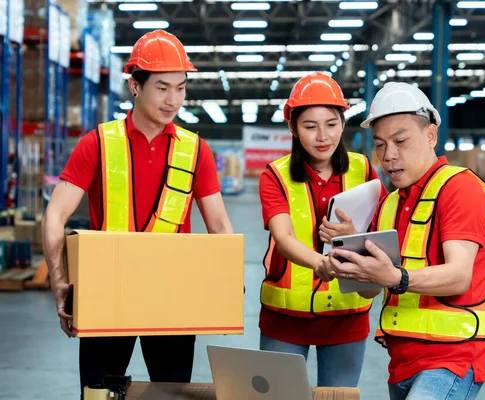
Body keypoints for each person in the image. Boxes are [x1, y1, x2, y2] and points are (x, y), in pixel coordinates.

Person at [41, 30, 234, 397]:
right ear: (135, 86)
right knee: (98, 393)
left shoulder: (196, 151)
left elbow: (221, 225)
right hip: (107, 290)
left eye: (180, 88)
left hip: (172, 295)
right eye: (162, 87)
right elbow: (55, 215)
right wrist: (59, 282)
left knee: (171, 392)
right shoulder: (97, 143)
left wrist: (223, 286)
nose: (172, 99)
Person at [328, 82, 485, 399]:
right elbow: (370, 289)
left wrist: (395, 276)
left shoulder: (460, 188)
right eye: (380, 145)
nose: (389, 156)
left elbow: (459, 275)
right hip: (402, 360)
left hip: (452, 358)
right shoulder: (390, 203)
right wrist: (349, 258)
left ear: (431, 135)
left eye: (401, 141)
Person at [258, 72, 387, 387]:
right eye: (309, 126)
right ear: (292, 127)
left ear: (343, 123)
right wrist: (320, 263)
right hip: (284, 319)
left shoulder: (364, 170)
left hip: (346, 315)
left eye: (331, 124)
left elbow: (382, 233)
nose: (322, 136)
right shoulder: (275, 176)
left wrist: (352, 234)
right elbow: (284, 237)